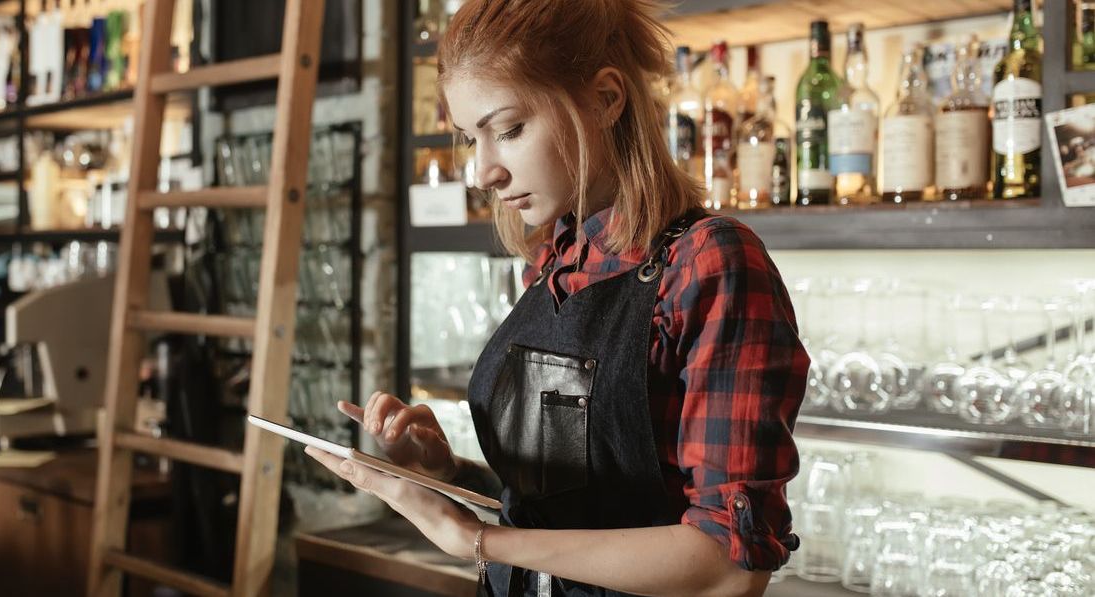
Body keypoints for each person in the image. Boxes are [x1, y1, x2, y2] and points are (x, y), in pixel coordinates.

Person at [305, 1, 811, 595]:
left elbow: (727, 569)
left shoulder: (707, 263)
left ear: (605, 99)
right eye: (472, 138)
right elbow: (576, 513)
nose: (481, 172)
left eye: (509, 129)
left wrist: (474, 538)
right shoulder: (555, 263)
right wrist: (446, 474)